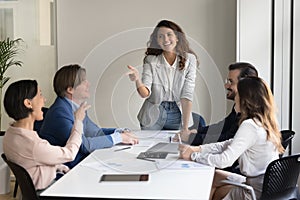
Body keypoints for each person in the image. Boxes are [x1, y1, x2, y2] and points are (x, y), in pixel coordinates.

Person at [179, 76, 284, 200]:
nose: (235, 98)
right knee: (214, 175)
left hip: (254, 192)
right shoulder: (265, 122)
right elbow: (229, 143)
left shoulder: (250, 126)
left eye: (238, 94)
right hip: (265, 185)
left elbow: (224, 161)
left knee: (212, 190)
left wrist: (192, 156)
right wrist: (197, 149)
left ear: (246, 99)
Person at [39, 64, 139, 168]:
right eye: (83, 82)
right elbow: (84, 146)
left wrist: (119, 131)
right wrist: (118, 138)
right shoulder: (59, 112)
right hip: (67, 171)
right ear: (70, 90)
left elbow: (94, 133)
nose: (88, 84)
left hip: (81, 163)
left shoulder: (76, 107)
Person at [3, 79, 90, 190]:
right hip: (48, 191)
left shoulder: (10, 134)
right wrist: (78, 121)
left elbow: (35, 159)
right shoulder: (33, 144)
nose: (44, 100)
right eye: (40, 95)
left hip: (39, 187)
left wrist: (59, 167)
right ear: (28, 103)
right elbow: (70, 154)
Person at [127, 19, 198, 134]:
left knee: (176, 148)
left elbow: (187, 94)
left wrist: (185, 128)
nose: (165, 39)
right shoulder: (151, 60)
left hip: (177, 112)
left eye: (169, 35)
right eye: (161, 36)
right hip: (153, 113)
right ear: (157, 41)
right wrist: (137, 80)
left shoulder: (190, 59)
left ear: (177, 37)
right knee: (150, 149)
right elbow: (145, 93)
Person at [179, 62, 258, 145]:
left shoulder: (250, 112)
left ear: (245, 85)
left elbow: (227, 139)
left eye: (231, 82)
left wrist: (191, 137)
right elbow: (222, 126)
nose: (226, 86)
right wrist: (196, 131)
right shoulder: (239, 105)